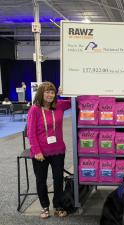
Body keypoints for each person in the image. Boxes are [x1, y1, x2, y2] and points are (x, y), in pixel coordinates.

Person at [27, 82, 71, 219]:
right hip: (40, 152)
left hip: (58, 150)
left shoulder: (59, 106)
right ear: (41, 93)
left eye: (52, 92)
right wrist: (36, 151)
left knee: (58, 179)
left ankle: (58, 205)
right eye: (47, 92)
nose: (50, 95)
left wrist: (65, 92)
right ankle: (44, 207)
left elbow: (75, 101)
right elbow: (31, 132)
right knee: (41, 180)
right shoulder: (34, 110)